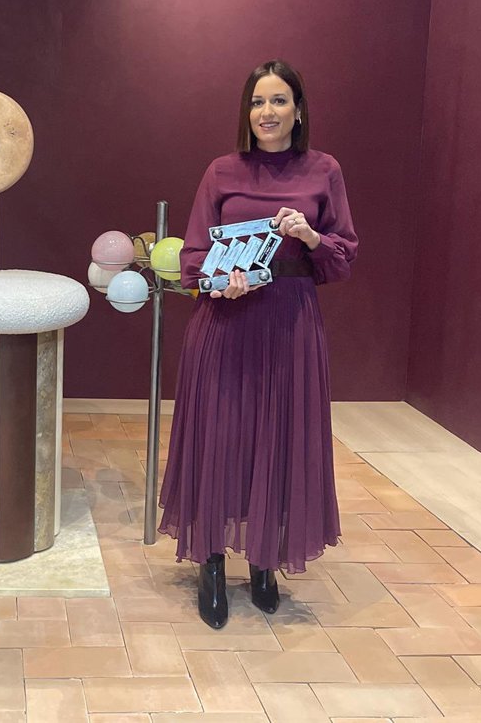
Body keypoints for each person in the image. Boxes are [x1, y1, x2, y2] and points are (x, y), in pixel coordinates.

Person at [158, 59, 358, 629]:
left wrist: (311, 236)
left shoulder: (324, 170)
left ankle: (266, 560)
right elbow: (194, 255)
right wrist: (219, 279)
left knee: (279, 434)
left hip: (290, 323)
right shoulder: (222, 171)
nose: (266, 112)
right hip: (225, 322)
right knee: (220, 435)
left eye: (277, 100)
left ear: (299, 109)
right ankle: (211, 562)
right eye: (256, 102)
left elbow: (342, 256)